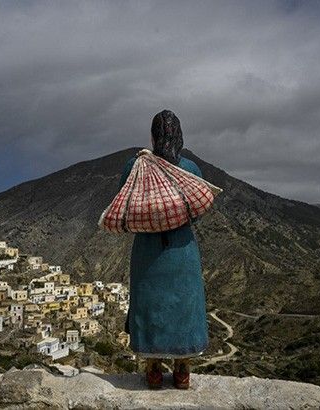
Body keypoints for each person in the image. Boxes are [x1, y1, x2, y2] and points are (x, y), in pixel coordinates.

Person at [117, 109, 209, 389]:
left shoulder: (135, 166)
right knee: (184, 304)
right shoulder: (190, 169)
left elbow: (126, 202)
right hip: (181, 251)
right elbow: (197, 209)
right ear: (179, 136)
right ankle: (182, 372)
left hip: (148, 251)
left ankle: (153, 370)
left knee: (149, 302)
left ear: (153, 137)